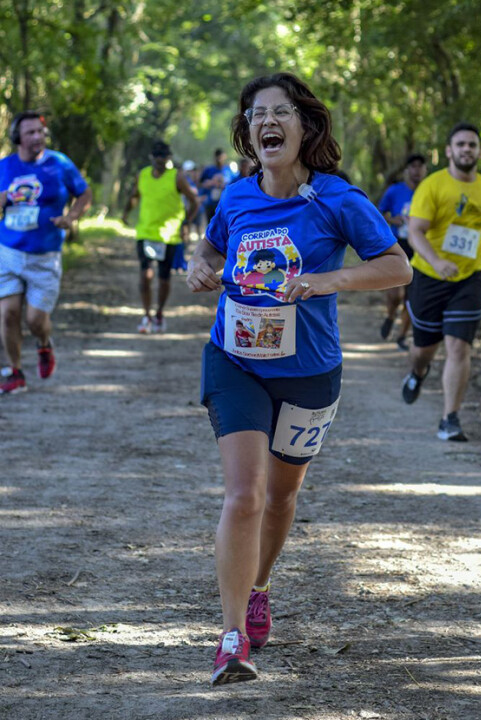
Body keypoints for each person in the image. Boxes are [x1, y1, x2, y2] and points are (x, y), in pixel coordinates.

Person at [186, 72, 411, 686]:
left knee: (282, 496)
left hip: (310, 370)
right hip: (234, 360)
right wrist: (198, 268)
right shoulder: (234, 198)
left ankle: (259, 585)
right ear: (248, 131)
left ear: (305, 126)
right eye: (256, 112)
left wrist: (324, 281)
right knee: (245, 494)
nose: (267, 120)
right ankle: (231, 637)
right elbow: (208, 250)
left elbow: (397, 267)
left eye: (281, 110)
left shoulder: (337, 200)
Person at [402, 122, 481, 441]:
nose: (467, 149)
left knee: (458, 346)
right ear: (449, 151)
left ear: (479, 151)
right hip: (429, 277)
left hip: (470, 279)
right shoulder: (433, 186)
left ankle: (450, 418)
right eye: (460, 144)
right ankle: (418, 372)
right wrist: (437, 261)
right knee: (424, 349)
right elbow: (415, 231)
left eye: (472, 145)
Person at [0, 111, 92, 395]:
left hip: (45, 255)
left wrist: (72, 217)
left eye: (40, 132)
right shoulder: (5, 167)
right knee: (8, 313)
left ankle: (43, 344)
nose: (37, 137)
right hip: (9, 251)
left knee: (35, 320)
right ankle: (15, 372)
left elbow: (84, 193)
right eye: (30, 133)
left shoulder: (59, 163)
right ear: (17, 137)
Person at [122, 141, 199, 334]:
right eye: (157, 156)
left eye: (164, 157)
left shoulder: (177, 177)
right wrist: (125, 213)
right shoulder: (143, 175)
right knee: (145, 275)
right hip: (146, 233)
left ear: (168, 158)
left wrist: (186, 222)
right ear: (152, 157)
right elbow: (134, 196)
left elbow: (194, 201)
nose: (160, 160)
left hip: (169, 236)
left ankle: (159, 313)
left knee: (164, 279)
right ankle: (146, 316)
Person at [378, 154, 427, 350]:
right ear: (406, 170)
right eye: (412, 166)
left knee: (411, 296)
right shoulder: (394, 191)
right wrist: (393, 220)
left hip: (421, 247)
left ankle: (401, 336)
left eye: (420, 167)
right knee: (394, 294)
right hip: (397, 244)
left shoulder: (429, 190)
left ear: (425, 170)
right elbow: (379, 214)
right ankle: (390, 315)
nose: (416, 170)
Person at [199, 148, 234, 224]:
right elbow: (200, 183)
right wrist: (210, 183)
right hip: (211, 204)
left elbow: (233, 184)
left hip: (225, 203)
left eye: (221, 157)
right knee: (211, 225)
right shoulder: (209, 170)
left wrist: (222, 185)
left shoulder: (228, 170)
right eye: (218, 158)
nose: (220, 160)